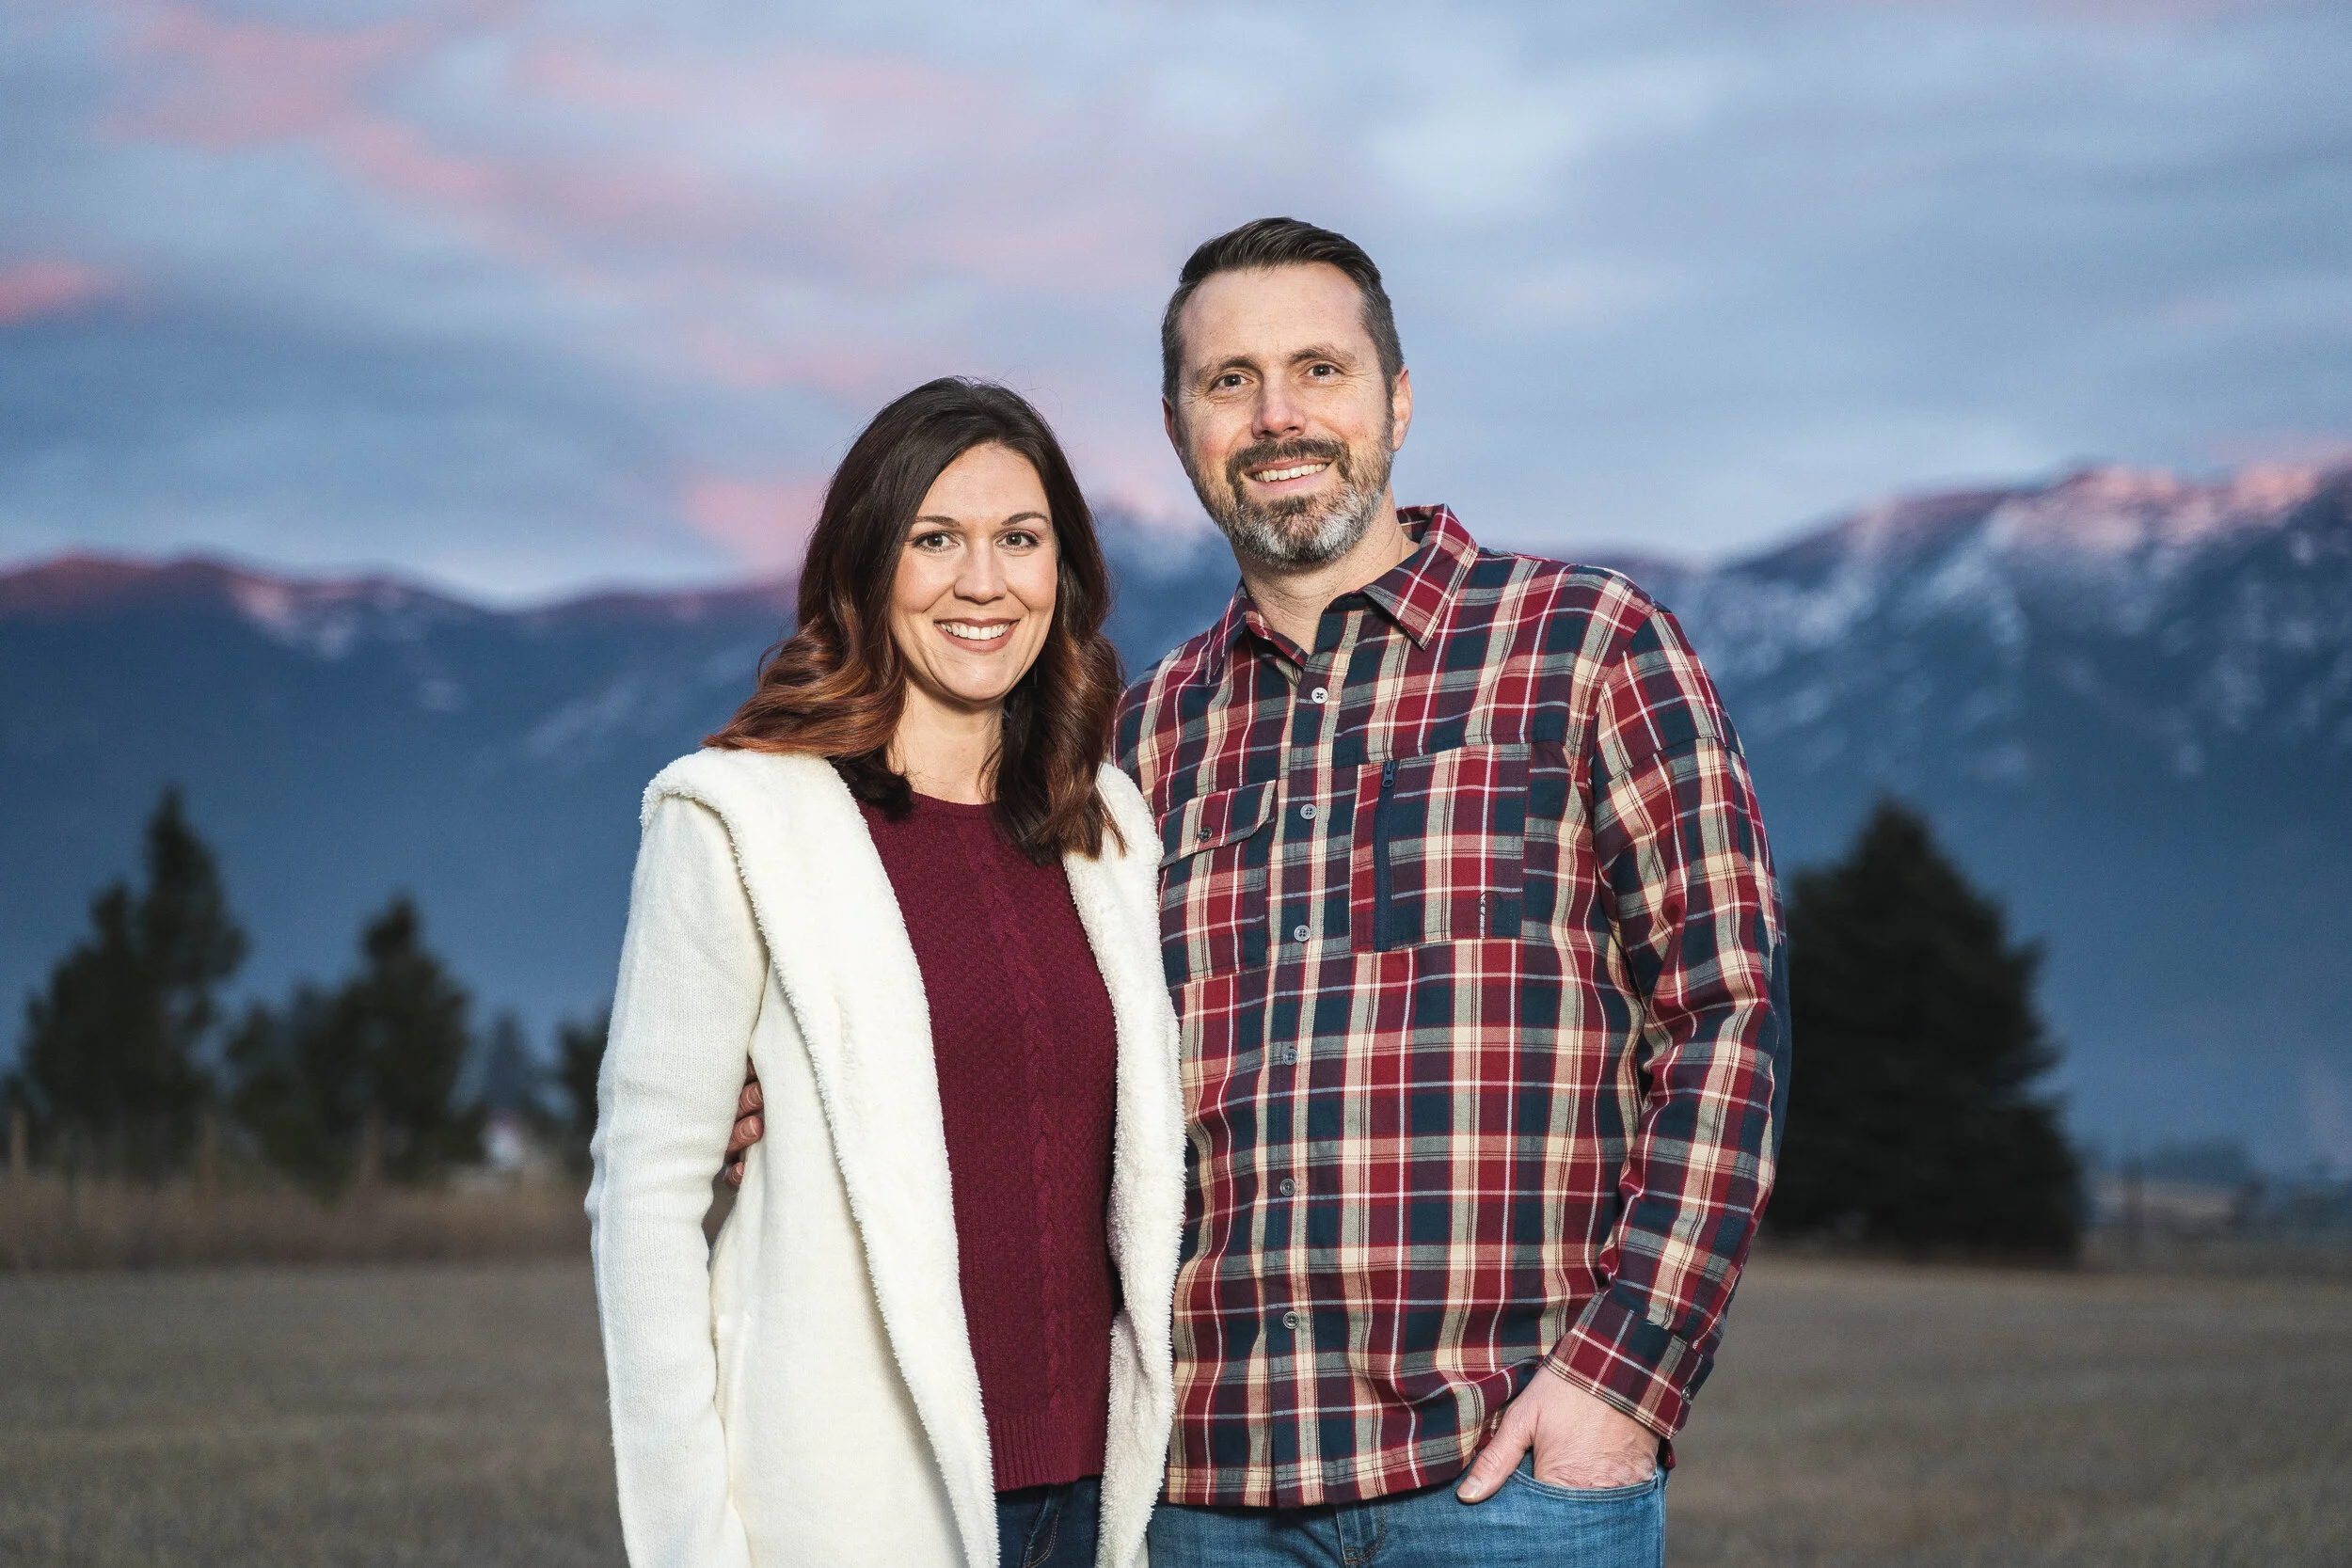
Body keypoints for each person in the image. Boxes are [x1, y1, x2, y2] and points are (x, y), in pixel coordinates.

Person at [727, 219, 1789, 1568]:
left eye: (1318, 369)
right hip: (1199, 1490)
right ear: (1178, 428)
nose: (1277, 414)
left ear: (1397, 397)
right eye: (1229, 381)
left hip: (1505, 1472)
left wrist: (1625, 1377)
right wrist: (777, 1081)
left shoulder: (1586, 649)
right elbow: (1021, 1031)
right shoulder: (1135, 741)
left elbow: (1726, 1012)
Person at [589, 377, 1185, 1568]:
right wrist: (691, 1544)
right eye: (934, 539)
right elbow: (645, 1202)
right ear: (865, 567)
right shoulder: (739, 820)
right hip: (854, 1505)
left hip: (1108, 1498)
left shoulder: (1103, 824)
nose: (982, 580)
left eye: (1020, 539)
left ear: (1061, 573)